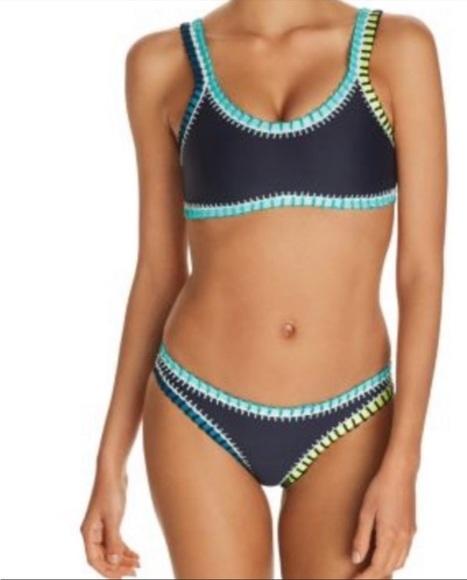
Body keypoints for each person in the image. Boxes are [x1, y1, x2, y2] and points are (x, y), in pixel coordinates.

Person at [81, 0, 447, 578]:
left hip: (350, 418)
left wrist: (404, 461)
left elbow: (421, 272)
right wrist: (110, 461)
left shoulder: (397, 49)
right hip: (198, 411)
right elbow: (157, 273)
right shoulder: (161, 63)